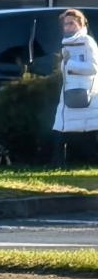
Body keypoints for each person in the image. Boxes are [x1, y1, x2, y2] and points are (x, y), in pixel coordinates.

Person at [54, 9, 98, 166]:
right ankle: (59, 164)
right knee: (61, 128)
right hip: (68, 93)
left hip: (87, 93)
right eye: (66, 24)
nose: (68, 27)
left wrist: (69, 64)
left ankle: (91, 162)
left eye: (72, 23)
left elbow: (93, 67)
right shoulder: (65, 43)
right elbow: (64, 69)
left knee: (91, 128)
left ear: (80, 24)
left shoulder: (88, 42)